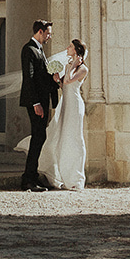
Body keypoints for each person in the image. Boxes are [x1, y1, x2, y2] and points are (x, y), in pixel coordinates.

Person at [41, 39, 88, 191]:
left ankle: (76, 178)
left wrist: (73, 66)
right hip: (66, 104)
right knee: (63, 137)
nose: (67, 48)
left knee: (74, 138)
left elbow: (68, 80)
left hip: (75, 105)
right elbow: (63, 85)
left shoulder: (83, 69)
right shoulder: (69, 65)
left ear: (76, 50)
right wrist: (56, 79)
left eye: (70, 47)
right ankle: (63, 175)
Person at [19, 19, 57, 192]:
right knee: (37, 137)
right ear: (40, 31)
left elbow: (42, 77)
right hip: (35, 102)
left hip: (42, 100)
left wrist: (55, 80)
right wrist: (36, 103)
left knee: (40, 137)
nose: (49, 36)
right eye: (48, 33)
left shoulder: (40, 49)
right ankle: (28, 180)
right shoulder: (29, 49)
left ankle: (31, 176)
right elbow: (29, 78)